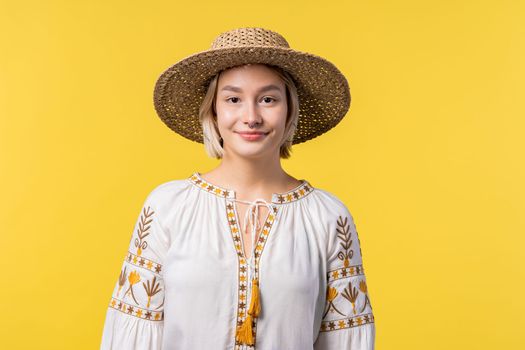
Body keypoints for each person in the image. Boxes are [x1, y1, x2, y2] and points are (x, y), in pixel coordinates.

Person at [100, 27, 375, 349]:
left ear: (289, 111)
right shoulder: (168, 207)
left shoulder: (327, 217)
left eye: (268, 99)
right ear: (213, 112)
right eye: (233, 99)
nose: (251, 116)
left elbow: (345, 338)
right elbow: (134, 330)